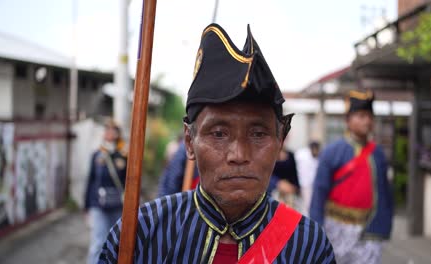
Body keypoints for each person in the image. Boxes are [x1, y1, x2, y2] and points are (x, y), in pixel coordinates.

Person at [98, 23, 335, 263]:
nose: (239, 154)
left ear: (280, 140)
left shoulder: (309, 246)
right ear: (189, 142)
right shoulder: (140, 234)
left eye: (258, 134)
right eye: (219, 134)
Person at [310, 90, 393, 264]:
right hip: (336, 227)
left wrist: (385, 225)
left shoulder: (378, 153)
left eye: (370, 116)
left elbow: (385, 194)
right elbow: (319, 192)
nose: (367, 121)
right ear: (347, 121)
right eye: (361, 116)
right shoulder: (332, 152)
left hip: (369, 228)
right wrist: (316, 229)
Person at [84, 120, 127, 264]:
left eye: (113, 130)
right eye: (107, 129)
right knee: (98, 243)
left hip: (117, 206)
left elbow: (129, 182)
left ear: (118, 134)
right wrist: (87, 207)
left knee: (116, 244)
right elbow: (90, 180)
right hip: (99, 205)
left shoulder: (124, 156)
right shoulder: (97, 155)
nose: (109, 133)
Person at [295, 141, 320, 216]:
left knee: (308, 205)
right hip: (303, 184)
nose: (316, 152)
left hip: (312, 185)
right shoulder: (301, 155)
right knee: (305, 206)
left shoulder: (317, 157)